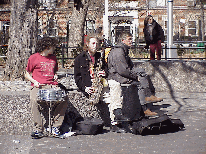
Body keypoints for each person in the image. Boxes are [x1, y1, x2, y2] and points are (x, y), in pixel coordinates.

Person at [74, 34, 128, 133]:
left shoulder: (100, 56)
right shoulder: (79, 59)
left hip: (101, 83)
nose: (95, 45)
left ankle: (117, 114)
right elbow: (77, 78)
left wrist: (104, 72)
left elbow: (107, 70)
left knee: (115, 84)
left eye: (97, 43)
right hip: (91, 87)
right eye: (93, 43)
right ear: (87, 44)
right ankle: (115, 120)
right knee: (112, 99)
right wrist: (85, 88)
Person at [107, 32, 163, 118]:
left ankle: (148, 96)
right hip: (117, 76)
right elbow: (122, 71)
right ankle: (144, 107)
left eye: (131, 39)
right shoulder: (118, 52)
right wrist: (135, 77)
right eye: (129, 39)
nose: (131, 41)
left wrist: (136, 74)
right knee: (138, 83)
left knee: (141, 71)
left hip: (121, 73)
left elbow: (129, 66)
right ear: (123, 40)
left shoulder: (123, 49)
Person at [25, 37, 68, 138]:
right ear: (47, 47)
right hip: (38, 85)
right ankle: (38, 128)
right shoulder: (33, 57)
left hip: (52, 84)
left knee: (64, 99)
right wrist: (34, 81)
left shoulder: (53, 57)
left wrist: (56, 75)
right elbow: (27, 74)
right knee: (34, 100)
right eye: (53, 47)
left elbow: (54, 71)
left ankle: (55, 126)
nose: (54, 49)